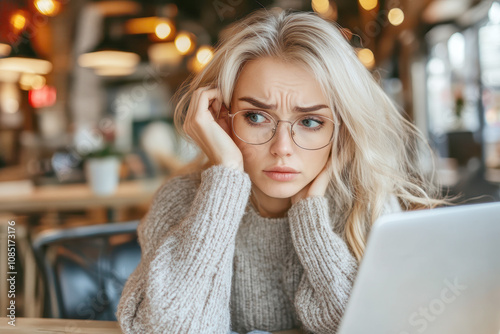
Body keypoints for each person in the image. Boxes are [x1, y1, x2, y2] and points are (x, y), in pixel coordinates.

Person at [116, 8, 445, 334]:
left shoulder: (368, 204)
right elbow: (168, 329)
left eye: (310, 122)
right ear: (221, 118)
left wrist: (312, 221)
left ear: (342, 131)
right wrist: (226, 177)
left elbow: (378, 328)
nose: (282, 147)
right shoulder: (181, 202)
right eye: (256, 117)